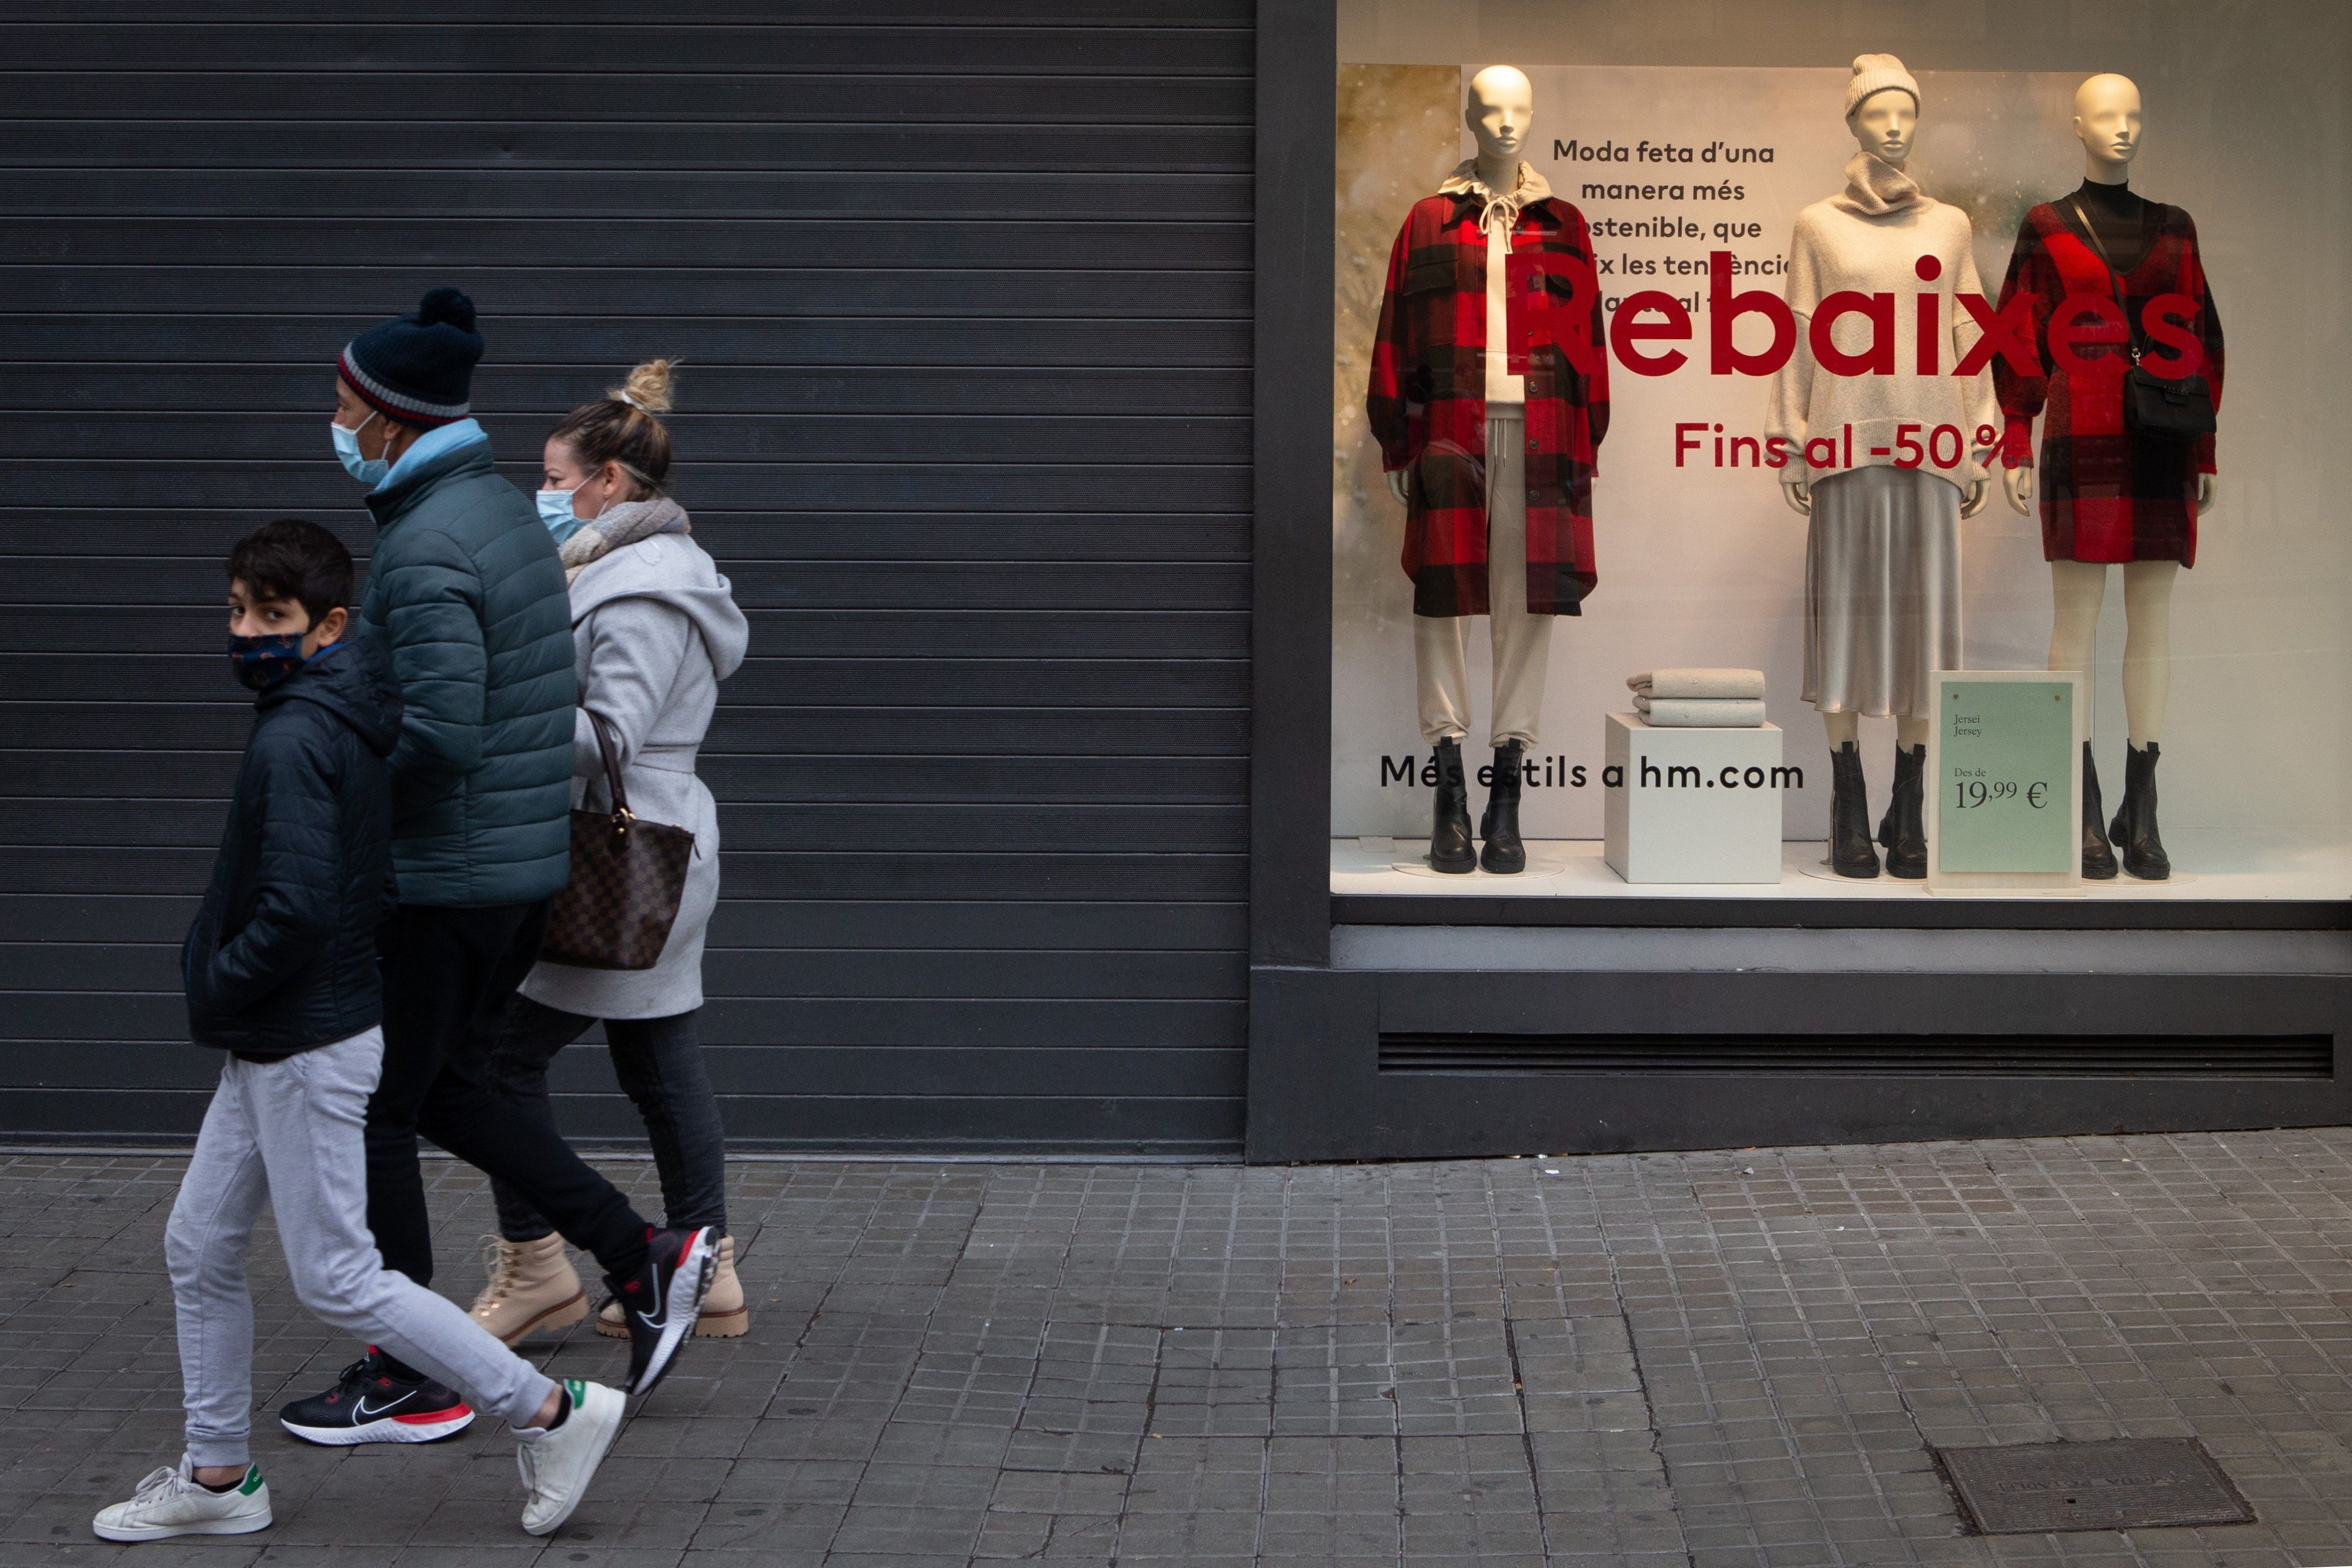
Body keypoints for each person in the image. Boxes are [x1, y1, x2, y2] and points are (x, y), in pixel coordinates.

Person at [93, 522, 624, 1544]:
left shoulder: (299, 732)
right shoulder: (339, 707)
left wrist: (215, 980)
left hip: (300, 1040)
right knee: (198, 1244)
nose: (245, 631)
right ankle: (217, 1478)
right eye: (238, 609)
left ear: (330, 624)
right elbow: (360, 884)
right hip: (288, 1033)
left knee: (339, 1274)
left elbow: (294, 908)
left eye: (271, 616)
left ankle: (554, 1413)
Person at [286, 290, 715, 1436]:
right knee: (452, 1085)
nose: (334, 424)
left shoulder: (429, 543)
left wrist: (332, 799)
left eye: (344, 406)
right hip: (506, 866)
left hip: (444, 874)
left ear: (389, 417)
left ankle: (411, 1366)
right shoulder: (489, 513)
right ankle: (641, 1250)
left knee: (385, 1102)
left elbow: (434, 731)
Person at [467, 360, 751, 1345]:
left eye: (554, 478)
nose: (540, 495)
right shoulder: (607, 564)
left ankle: (539, 1265)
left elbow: (612, 736)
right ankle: (701, 1270)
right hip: (640, 844)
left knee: (494, 1059)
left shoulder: (647, 587)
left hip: (623, 850)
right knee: (659, 1064)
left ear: (610, 483)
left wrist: (493, 715)